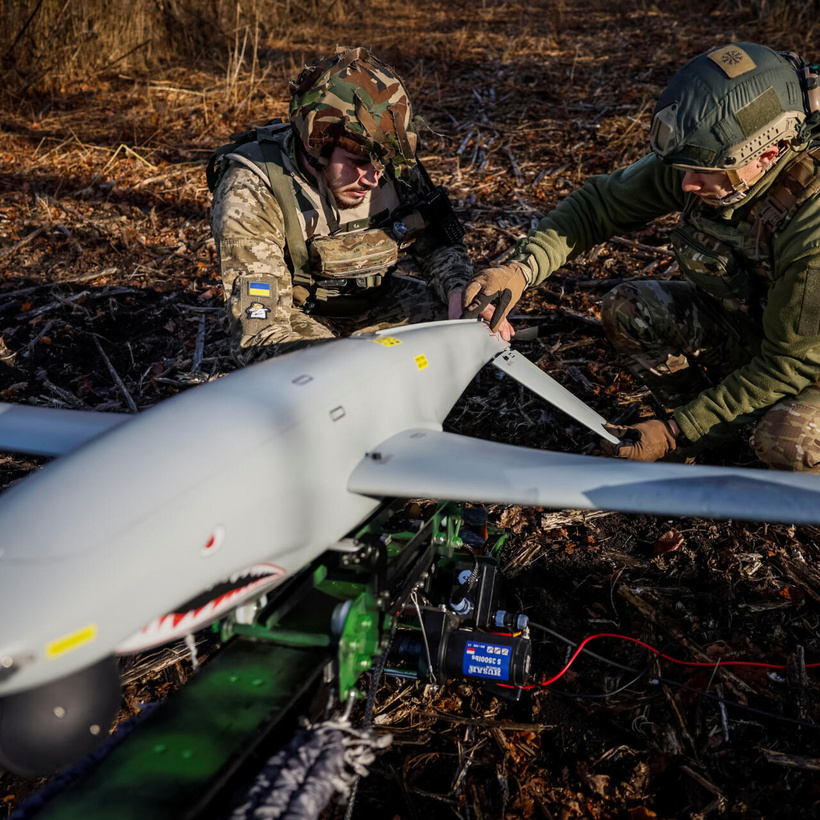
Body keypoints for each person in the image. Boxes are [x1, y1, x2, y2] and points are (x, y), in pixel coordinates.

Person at [463, 42, 820, 471]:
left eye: (700, 173)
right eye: (682, 168)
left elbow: (789, 365)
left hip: (805, 361)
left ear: (765, 155)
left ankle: (713, 429)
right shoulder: (710, 159)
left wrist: (674, 433)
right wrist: (519, 270)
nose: (684, 184)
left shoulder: (811, 226)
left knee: (786, 443)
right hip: (758, 328)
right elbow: (600, 205)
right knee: (631, 309)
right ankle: (714, 437)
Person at [208, 46, 501, 362]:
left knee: (473, 333)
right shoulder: (252, 188)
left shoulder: (393, 163)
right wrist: (356, 361)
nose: (373, 179)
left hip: (377, 303)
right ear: (315, 144)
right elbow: (262, 335)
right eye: (357, 162)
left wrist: (458, 291)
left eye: (381, 163)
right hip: (294, 318)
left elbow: (438, 246)